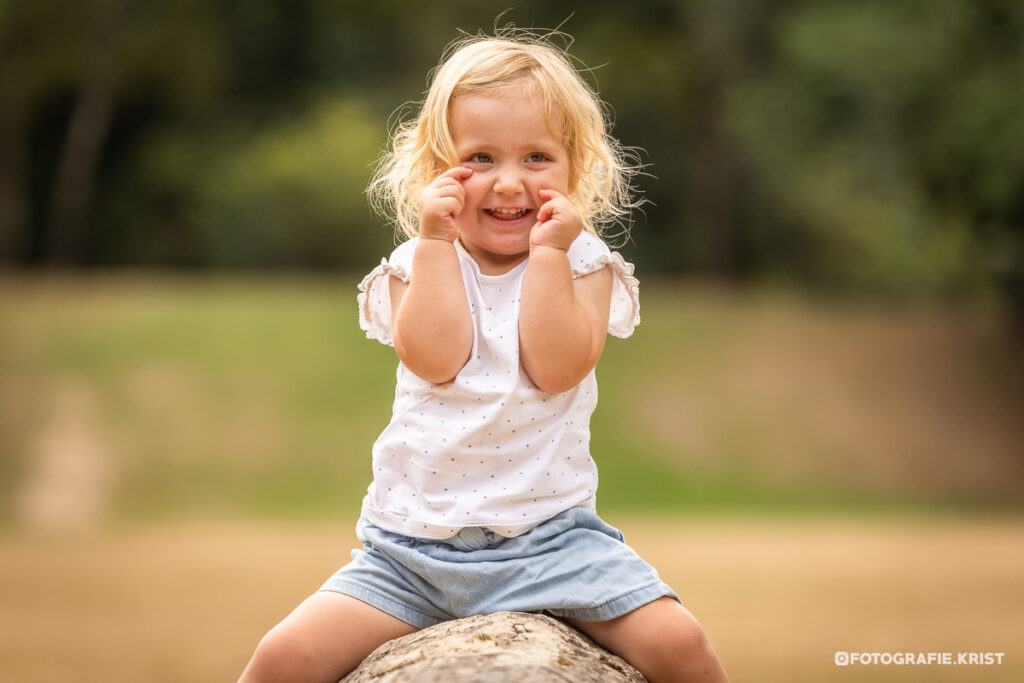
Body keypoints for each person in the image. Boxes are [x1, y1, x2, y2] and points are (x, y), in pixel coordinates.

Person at [238, 29, 729, 683]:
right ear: (435, 169)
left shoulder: (586, 266)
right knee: (281, 658)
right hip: (412, 553)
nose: (508, 182)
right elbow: (436, 357)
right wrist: (436, 241)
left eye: (536, 157)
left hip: (553, 545)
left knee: (680, 644)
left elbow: (555, 366)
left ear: (576, 169)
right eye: (479, 157)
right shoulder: (419, 262)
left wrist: (549, 255)